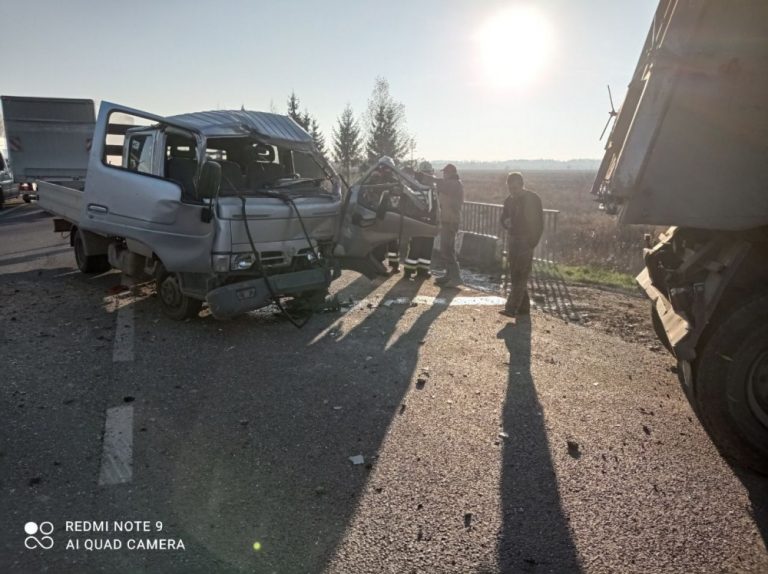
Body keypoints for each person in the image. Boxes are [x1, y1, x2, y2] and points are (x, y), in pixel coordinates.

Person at [499, 172, 543, 319]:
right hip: (513, 239)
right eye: (510, 189)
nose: (513, 191)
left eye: (515, 188)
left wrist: (532, 242)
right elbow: (503, 217)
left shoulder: (533, 199)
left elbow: (539, 223)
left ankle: (511, 308)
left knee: (521, 274)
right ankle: (524, 307)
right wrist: (506, 222)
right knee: (514, 274)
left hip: (526, 240)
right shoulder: (509, 201)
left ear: (522, 185)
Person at [419, 163, 464, 288]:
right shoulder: (451, 184)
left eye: (445, 173)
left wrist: (429, 177)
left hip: (450, 221)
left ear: (450, 173)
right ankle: (450, 275)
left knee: (447, 249)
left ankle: (456, 277)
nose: (443, 175)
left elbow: (442, 185)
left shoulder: (454, 184)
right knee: (448, 249)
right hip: (447, 220)